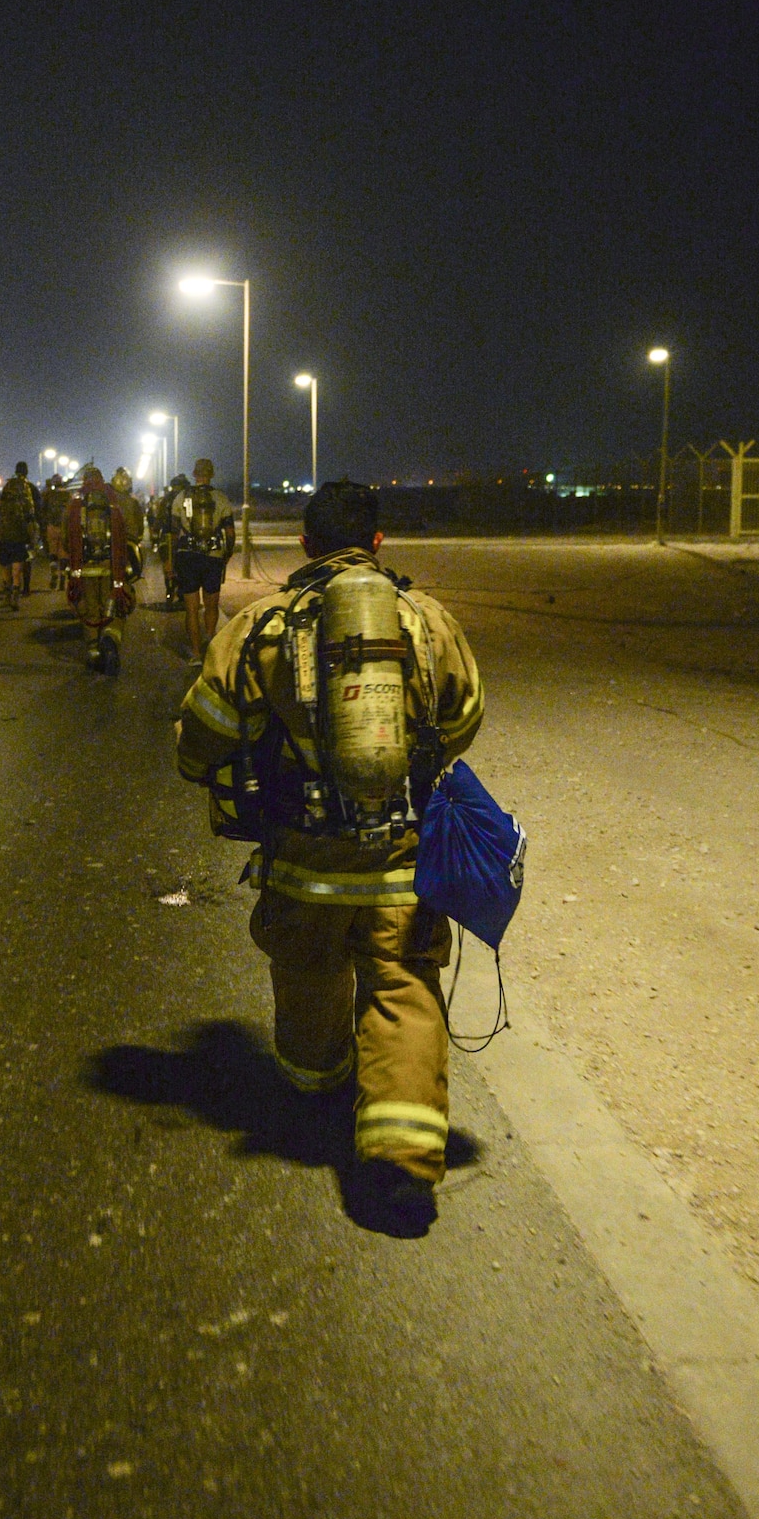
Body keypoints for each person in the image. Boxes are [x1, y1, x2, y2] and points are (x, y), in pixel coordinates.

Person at [174, 480, 485, 1220]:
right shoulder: (424, 619)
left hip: (303, 857)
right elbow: (463, 714)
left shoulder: (262, 623)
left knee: (309, 970)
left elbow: (206, 730)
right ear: (377, 544)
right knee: (402, 985)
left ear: (306, 545)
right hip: (401, 858)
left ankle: (316, 1090)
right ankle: (401, 1165)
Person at [65, 464, 134, 676]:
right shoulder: (118, 501)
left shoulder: (74, 503)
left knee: (90, 610)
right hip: (112, 568)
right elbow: (132, 532)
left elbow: (68, 539)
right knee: (117, 606)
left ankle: (94, 652)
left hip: (84, 569)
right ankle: (110, 639)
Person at [172, 458, 235, 663]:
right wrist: (226, 555)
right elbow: (230, 532)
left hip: (187, 556)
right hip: (213, 556)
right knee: (211, 605)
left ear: (194, 473)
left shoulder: (181, 497)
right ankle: (210, 644)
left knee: (191, 608)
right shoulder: (221, 498)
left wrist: (173, 558)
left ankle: (196, 653)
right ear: (212, 474)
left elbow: (173, 531)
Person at [0, 461, 40, 609]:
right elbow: (35, 510)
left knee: (6, 565)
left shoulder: (7, 486)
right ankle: (21, 590)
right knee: (21, 563)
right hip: (21, 532)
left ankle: (7, 595)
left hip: (4, 532)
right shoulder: (30, 488)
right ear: (27, 472)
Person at [151, 471, 189, 609]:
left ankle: (169, 589)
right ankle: (181, 592)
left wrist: (155, 535)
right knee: (183, 565)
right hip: (183, 537)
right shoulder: (188, 498)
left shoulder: (166, 499)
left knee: (168, 564)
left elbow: (160, 518)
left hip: (167, 537)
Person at [43, 472, 70, 592]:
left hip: (51, 526)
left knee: (52, 551)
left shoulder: (49, 495)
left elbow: (42, 510)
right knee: (64, 553)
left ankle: (53, 572)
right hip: (64, 527)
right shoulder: (68, 495)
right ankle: (63, 578)